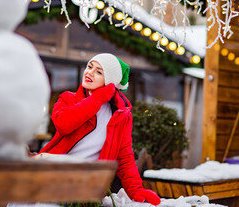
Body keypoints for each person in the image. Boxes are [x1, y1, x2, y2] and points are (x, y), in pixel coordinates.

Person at [37, 53, 161, 205]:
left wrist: (136, 190)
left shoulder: (121, 115)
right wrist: (98, 98)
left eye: (99, 71)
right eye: (90, 67)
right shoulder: (67, 99)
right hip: (51, 177)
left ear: (110, 82)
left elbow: (125, 157)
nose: (89, 72)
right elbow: (64, 125)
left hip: (87, 188)